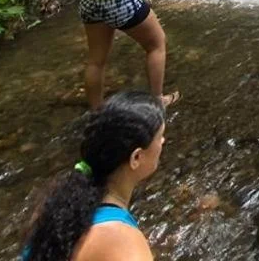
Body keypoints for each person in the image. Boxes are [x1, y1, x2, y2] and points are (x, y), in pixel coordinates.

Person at [22, 91, 166, 261]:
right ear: (136, 158)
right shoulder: (124, 242)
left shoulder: (55, 204)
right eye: (160, 137)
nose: (163, 141)